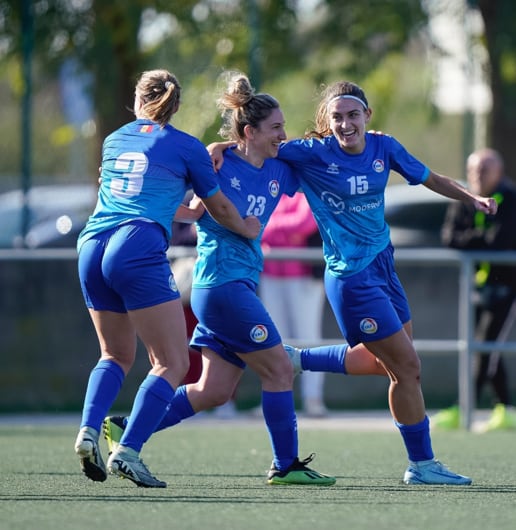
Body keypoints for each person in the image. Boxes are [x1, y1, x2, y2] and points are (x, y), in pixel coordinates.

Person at [209, 80, 498, 485]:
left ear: (367, 116)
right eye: (337, 117)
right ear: (327, 123)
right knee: (407, 367)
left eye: (353, 115)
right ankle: (422, 464)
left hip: (384, 267)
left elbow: (430, 177)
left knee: (390, 365)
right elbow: (253, 146)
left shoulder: (385, 147)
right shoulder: (310, 154)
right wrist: (215, 149)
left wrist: (472, 197)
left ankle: (298, 359)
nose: (346, 124)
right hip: (351, 277)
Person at [103, 72, 336, 486]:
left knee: (212, 390)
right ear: (249, 131)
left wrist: (361, 144)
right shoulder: (217, 162)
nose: (284, 133)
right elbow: (181, 205)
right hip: (220, 288)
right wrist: (210, 154)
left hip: (234, 287)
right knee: (279, 369)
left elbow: (321, 159)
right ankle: (285, 465)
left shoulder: (280, 167)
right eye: (276, 127)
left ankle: (130, 431)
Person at [73, 68, 261, 488]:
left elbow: (137, 194)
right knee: (172, 362)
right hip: (136, 244)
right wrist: (247, 229)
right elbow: (222, 209)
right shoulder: (186, 146)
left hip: (92, 244)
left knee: (115, 356)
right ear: (176, 105)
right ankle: (129, 451)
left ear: (137, 101)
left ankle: (88, 431)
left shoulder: (114, 139)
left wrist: (187, 209)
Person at [434, 147, 516, 431]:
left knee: (484, 346)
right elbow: (449, 238)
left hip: (507, 287)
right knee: (484, 346)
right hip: (475, 287)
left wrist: (475, 238)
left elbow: (502, 240)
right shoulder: (464, 197)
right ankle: (504, 409)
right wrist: (482, 237)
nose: (477, 175)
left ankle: (465, 408)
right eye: (474, 170)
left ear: (499, 172)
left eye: (485, 169)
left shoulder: (511, 198)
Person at [260, 192, 328, 417]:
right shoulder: (271, 190)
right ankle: (276, 398)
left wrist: (271, 232)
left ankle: (313, 398)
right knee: (274, 339)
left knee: (308, 338)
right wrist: (284, 234)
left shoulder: (307, 191)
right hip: (270, 274)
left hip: (304, 276)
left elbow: (304, 223)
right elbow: (255, 224)